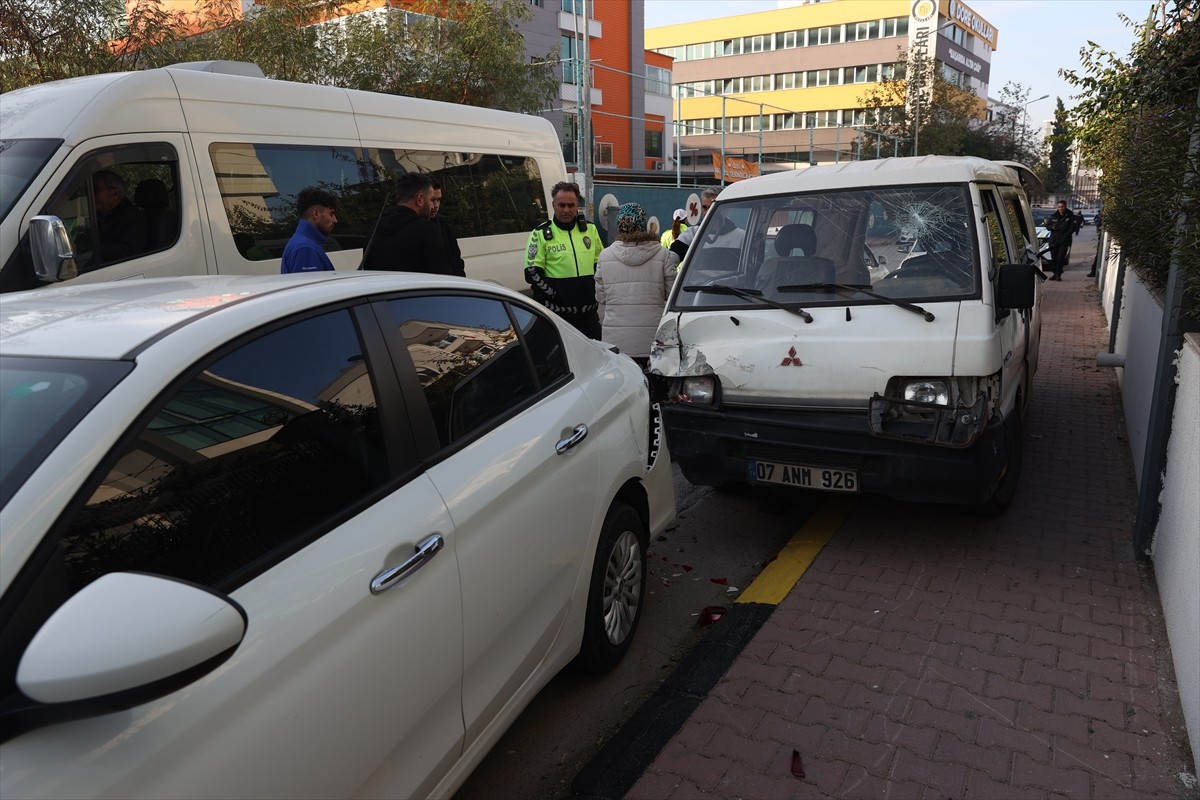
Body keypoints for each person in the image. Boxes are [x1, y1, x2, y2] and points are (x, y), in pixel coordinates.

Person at [595, 202, 679, 366]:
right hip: (654, 342)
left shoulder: (605, 256)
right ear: (643, 224)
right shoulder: (663, 255)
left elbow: (601, 297)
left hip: (616, 343)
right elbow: (672, 296)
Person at [524, 181, 604, 338]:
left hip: (588, 316)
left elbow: (601, 265)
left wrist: (594, 291)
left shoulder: (590, 230)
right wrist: (555, 295)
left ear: (577, 206)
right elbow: (532, 272)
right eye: (561, 205)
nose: (566, 210)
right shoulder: (539, 233)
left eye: (571, 205)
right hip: (556, 316)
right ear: (553, 205)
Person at [362, 172, 449, 274]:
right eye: (431, 200)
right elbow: (441, 275)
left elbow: (368, 271)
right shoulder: (426, 229)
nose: (433, 206)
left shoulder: (374, 230)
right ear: (420, 199)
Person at [91, 170, 147, 267]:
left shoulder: (132, 218)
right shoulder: (98, 215)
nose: (91, 194)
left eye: (95, 189)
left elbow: (129, 251)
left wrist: (92, 250)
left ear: (115, 193)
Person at [281, 187, 338, 273]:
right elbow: (314, 282)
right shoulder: (305, 248)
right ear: (316, 214)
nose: (335, 220)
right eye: (331, 214)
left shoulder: (303, 243)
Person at [429, 178, 466, 277]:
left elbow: (456, 259)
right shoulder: (416, 228)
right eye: (432, 200)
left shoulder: (444, 226)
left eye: (438, 200)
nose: (436, 205)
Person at [670, 188, 718, 262]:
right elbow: (670, 260)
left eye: (712, 207)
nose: (707, 212)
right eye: (704, 207)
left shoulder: (737, 236)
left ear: (725, 209)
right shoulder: (693, 233)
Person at [1045, 200, 1079, 281]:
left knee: (1060, 258)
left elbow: (1072, 228)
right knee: (1054, 258)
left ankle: (1058, 274)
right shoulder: (1053, 216)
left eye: (1062, 207)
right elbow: (1048, 226)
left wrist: (1065, 235)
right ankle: (1054, 273)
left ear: (1065, 207)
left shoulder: (1070, 216)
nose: (1061, 208)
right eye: (1059, 207)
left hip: (1064, 241)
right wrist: (1053, 227)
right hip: (1054, 240)